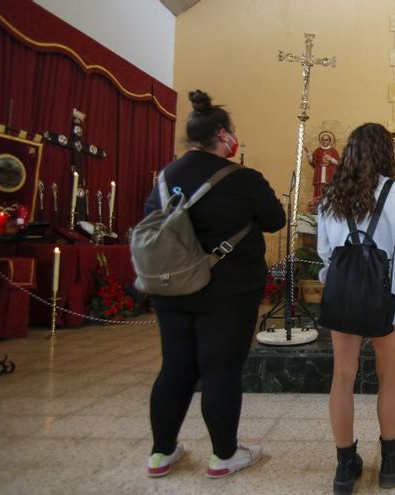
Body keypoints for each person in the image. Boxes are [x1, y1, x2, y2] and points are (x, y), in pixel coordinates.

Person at [142, 90, 286, 479]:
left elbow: (152, 222)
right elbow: (275, 220)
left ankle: (161, 453)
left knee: (175, 366)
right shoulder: (242, 179)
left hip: (172, 287)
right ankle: (224, 455)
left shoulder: (164, 178)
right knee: (220, 368)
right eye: (232, 133)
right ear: (223, 135)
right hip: (228, 291)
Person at [317, 123, 395, 494]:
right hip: (385, 293)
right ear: (386, 153)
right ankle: (390, 461)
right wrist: (384, 268)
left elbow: (324, 252)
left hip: (343, 291)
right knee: (388, 374)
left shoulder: (331, 193)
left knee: (342, 376)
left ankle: (345, 467)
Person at [304, 130, 341, 201]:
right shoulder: (318, 151)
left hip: (330, 175)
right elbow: (313, 162)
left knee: (329, 192)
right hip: (319, 175)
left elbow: (338, 163)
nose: (324, 141)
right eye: (323, 140)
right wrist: (308, 154)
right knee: (318, 192)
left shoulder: (333, 151)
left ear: (330, 141)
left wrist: (331, 159)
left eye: (326, 140)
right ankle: (317, 205)